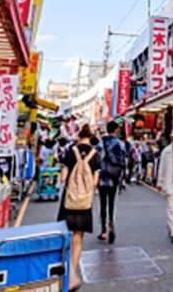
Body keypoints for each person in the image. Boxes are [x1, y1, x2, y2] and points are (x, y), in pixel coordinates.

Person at [58, 125, 100, 291]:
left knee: (65, 233)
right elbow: (95, 182)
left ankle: (63, 267)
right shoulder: (95, 154)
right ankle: (73, 274)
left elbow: (63, 178)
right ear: (90, 137)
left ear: (79, 136)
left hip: (69, 199)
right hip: (84, 201)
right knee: (78, 237)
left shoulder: (70, 151)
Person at [98, 121, 125, 244]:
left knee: (103, 204)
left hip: (102, 177)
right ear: (115, 130)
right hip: (114, 178)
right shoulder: (119, 143)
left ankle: (103, 231)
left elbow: (98, 159)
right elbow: (122, 162)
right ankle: (111, 224)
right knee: (112, 204)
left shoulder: (101, 143)